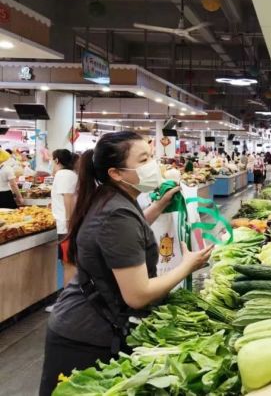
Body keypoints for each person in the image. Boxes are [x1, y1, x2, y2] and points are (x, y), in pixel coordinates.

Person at [39, 132, 212, 395]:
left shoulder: (113, 200)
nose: (154, 165)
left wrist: (159, 205)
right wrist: (188, 265)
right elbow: (138, 295)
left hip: (89, 321)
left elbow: (132, 231)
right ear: (117, 173)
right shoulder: (116, 213)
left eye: (152, 156)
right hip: (86, 336)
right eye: (144, 159)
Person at [51, 149, 79, 287]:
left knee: (68, 262)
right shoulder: (71, 174)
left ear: (56, 160)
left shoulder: (62, 174)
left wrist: (69, 221)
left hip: (65, 224)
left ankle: (67, 299)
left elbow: (68, 197)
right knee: (69, 261)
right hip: (67, 222)